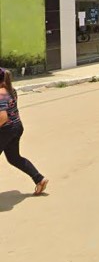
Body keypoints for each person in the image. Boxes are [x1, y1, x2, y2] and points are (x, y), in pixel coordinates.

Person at [0, 68, 48, 196]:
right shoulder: (11, 90)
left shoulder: (0, 93)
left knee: (14, 158)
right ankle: (39, 179)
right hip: (16, 127)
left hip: (5, 130)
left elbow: (3, 117)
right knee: (14, 158)